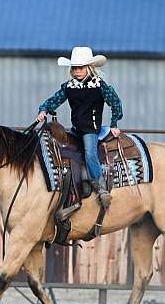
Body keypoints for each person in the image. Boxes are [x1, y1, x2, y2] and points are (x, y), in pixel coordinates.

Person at [37, 46, 123, 208]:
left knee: (90, 152)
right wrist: (44, 109)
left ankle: (100, 187)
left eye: (80, 68)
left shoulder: (100, 86)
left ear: (89, 68)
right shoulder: (70, 87)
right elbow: (54, 100)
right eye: (74, 68)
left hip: (91, 129)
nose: (77, 71)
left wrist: (114, 124)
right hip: (76, 128)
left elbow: (116, 103)